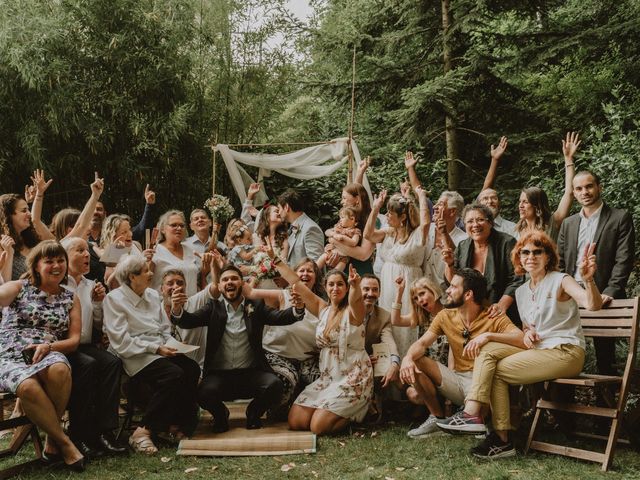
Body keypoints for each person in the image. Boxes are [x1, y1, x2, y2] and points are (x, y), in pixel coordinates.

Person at [437, 232, 602, 459]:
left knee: (494, 367)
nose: (531, 256)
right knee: (488, 351)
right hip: (539, 351)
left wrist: (589, 279)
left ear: (548, 256)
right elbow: (527, 328)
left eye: (537, 252)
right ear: (519, 258)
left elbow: (591, 305)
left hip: (566, 352)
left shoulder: (561, 280)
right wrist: (528, 332)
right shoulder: (522, 292)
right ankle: (486, 426)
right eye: (525, 252)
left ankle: (487, 427)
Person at [170, 264, 306, 433]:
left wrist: (298, 308)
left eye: (234, 278)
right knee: (202, 393)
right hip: (220, 376)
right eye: (225, 279)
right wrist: (176, 308)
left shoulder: (256, 306)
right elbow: (187, 321)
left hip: (251, 374)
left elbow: (280, 317)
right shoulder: (213, 308)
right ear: (219, 286)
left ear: (242, 283)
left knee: (275, 386)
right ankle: (221, 415)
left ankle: (253, 412)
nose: (230, 282)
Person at [399, 269, 522, 439]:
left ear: (468, 294)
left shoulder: (492, 316)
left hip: (483, 383)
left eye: (453, 287)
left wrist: (488, 336)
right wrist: (407, 358)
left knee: (489, 391)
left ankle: (484, 423)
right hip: (457, 381)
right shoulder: (445, 316)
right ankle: (437, 418)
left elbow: (521, 338)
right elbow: (421, 343)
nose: (447, 290)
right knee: (417, 360)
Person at [269, 248, 373, 435]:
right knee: (296, 421)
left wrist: (356, 286)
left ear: (346, 287)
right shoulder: (322, 308)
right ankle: (327, 409)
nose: (335, 288)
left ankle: (357, 412)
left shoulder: (354, 312)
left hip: (352, 377)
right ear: (325, 287)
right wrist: (274, 259)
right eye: (331, 285)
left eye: (340, 284)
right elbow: (295, 282)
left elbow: (356, 300)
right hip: (328, 378)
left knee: (318, 427)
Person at [0, 240, 85, 470]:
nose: (56, 266)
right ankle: (64, 442)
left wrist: (49, 347)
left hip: (46, 351)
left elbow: (74, 341)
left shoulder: (70, 298)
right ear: (36, 265)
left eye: (60, 261)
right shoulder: (19, 287)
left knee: (60, 369)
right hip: (10, 353)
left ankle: (51, 438)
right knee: (27, 386)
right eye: (49, 261)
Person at [103, 256, 200, 455]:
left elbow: (164, 328)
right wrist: (155, 349)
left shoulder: (152, 295)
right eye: (146, 271)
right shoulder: (114, 299)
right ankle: (143, 431)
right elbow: (121, 341)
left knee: (192, 368)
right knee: (173, 374)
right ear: (132, 277)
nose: (151, 274)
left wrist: (173, 345)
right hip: (134, 353)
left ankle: (174, 424)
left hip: (160, 347)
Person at [557, 170, 635, 375]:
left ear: (599, 187)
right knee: (565, 348)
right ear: (573, 193)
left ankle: (606, 402)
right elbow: (561, 262)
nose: (585, 192)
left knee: (605, 355)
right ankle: (564, 402)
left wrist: (611, 290)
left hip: (602, 293)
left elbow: (623, 259)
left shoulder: (620, 218)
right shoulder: (568, 223)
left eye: (589, 186)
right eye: (579, 188)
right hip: (571, 293)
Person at [61, 237, 126, 458]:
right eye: (79, 250)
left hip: (87, 344)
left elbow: (98, 325)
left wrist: (98, 303)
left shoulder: (91, 284)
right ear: (65, 256)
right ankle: (79, 434)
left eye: (87, 250)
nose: (87, 254)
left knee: (112, 362)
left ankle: (105, 432)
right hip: (64, 347)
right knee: (87, 365)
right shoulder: (59, 285)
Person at [243, 257, 324, 414]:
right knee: (286, 380)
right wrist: (257, 273)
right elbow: (250, 293)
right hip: (278, 355)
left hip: (307, 359)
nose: (305, 273)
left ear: (316, 276)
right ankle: (274, 409)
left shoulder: (321, 302)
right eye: (301, 270)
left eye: (310, 270)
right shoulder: (282, 296)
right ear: (293, 275)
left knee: (320, 380)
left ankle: (306, 410)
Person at [365, 186, 430, 357]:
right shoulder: (388, 233)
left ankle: (407, 364)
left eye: (389, 214)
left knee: (406, 327)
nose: (386, 216)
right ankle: (389, 362)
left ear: (402, 217)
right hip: (388, 283)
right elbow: (368, 235)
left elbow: (426, 223)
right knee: (388, 324)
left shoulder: (417, 235)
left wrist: (421, 197)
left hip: (408, 283)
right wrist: (375, 208)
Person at [443, 203, 524, 325]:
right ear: (465, 226)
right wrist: (449, 264)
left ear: (490, 223)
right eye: (470, 221)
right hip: (471, 312)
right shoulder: (462, 246)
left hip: (504, 311)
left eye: (480, 220)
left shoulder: (507, 242)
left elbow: (517, 278)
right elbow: (453, 282)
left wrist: (501, 305)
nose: (475, 225)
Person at [511, 132, 580, 241]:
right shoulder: (517, 230)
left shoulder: (553, 223)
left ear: (537, 205)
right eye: (520, 201)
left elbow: (569, 193)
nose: (520, 206)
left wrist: (568, 159)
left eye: (525, 202)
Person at [326, 181, 376, 276]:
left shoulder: (371, 220)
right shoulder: (346, 218)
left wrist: (334, 241)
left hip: (360, 273)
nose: (342, 202)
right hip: (342, 273)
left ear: (357, 199)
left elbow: (363, 254)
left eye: (344, 198)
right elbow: (331, 232)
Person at [150, 210, 202, 296]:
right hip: (165, 306)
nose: (179, 228)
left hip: (192, 306)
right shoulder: (155, 251)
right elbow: (144, 281)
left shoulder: (190, 250)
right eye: (174, 225)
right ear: (163, 229)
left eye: (182, 225)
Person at [477, 136, 517, 236]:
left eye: (494, 198)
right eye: (485, 199)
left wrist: (495, 160)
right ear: (478, 204)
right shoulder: (473, 227)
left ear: (500, 203)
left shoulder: (513, 229)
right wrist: (494, 160)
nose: (489, 201)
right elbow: (485, 189)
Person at [277, 189, 324, 266]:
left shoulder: (310, 228)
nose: (279, 212)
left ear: (286, 207)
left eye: (279, 208)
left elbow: (315, 264)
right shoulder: (291, 228)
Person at [318, 206, 361, 271]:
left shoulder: (355, 231)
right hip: (331, 251)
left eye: (342, 217)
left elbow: (354, 243)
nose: (340, 220)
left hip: (343, 258)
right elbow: (327, 232)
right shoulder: (339, 227)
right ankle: (313, 274)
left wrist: (343, 237)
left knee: (336, 274)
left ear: (352, 219)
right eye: (340, 218)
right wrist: (333, 234)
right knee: (317, 265)